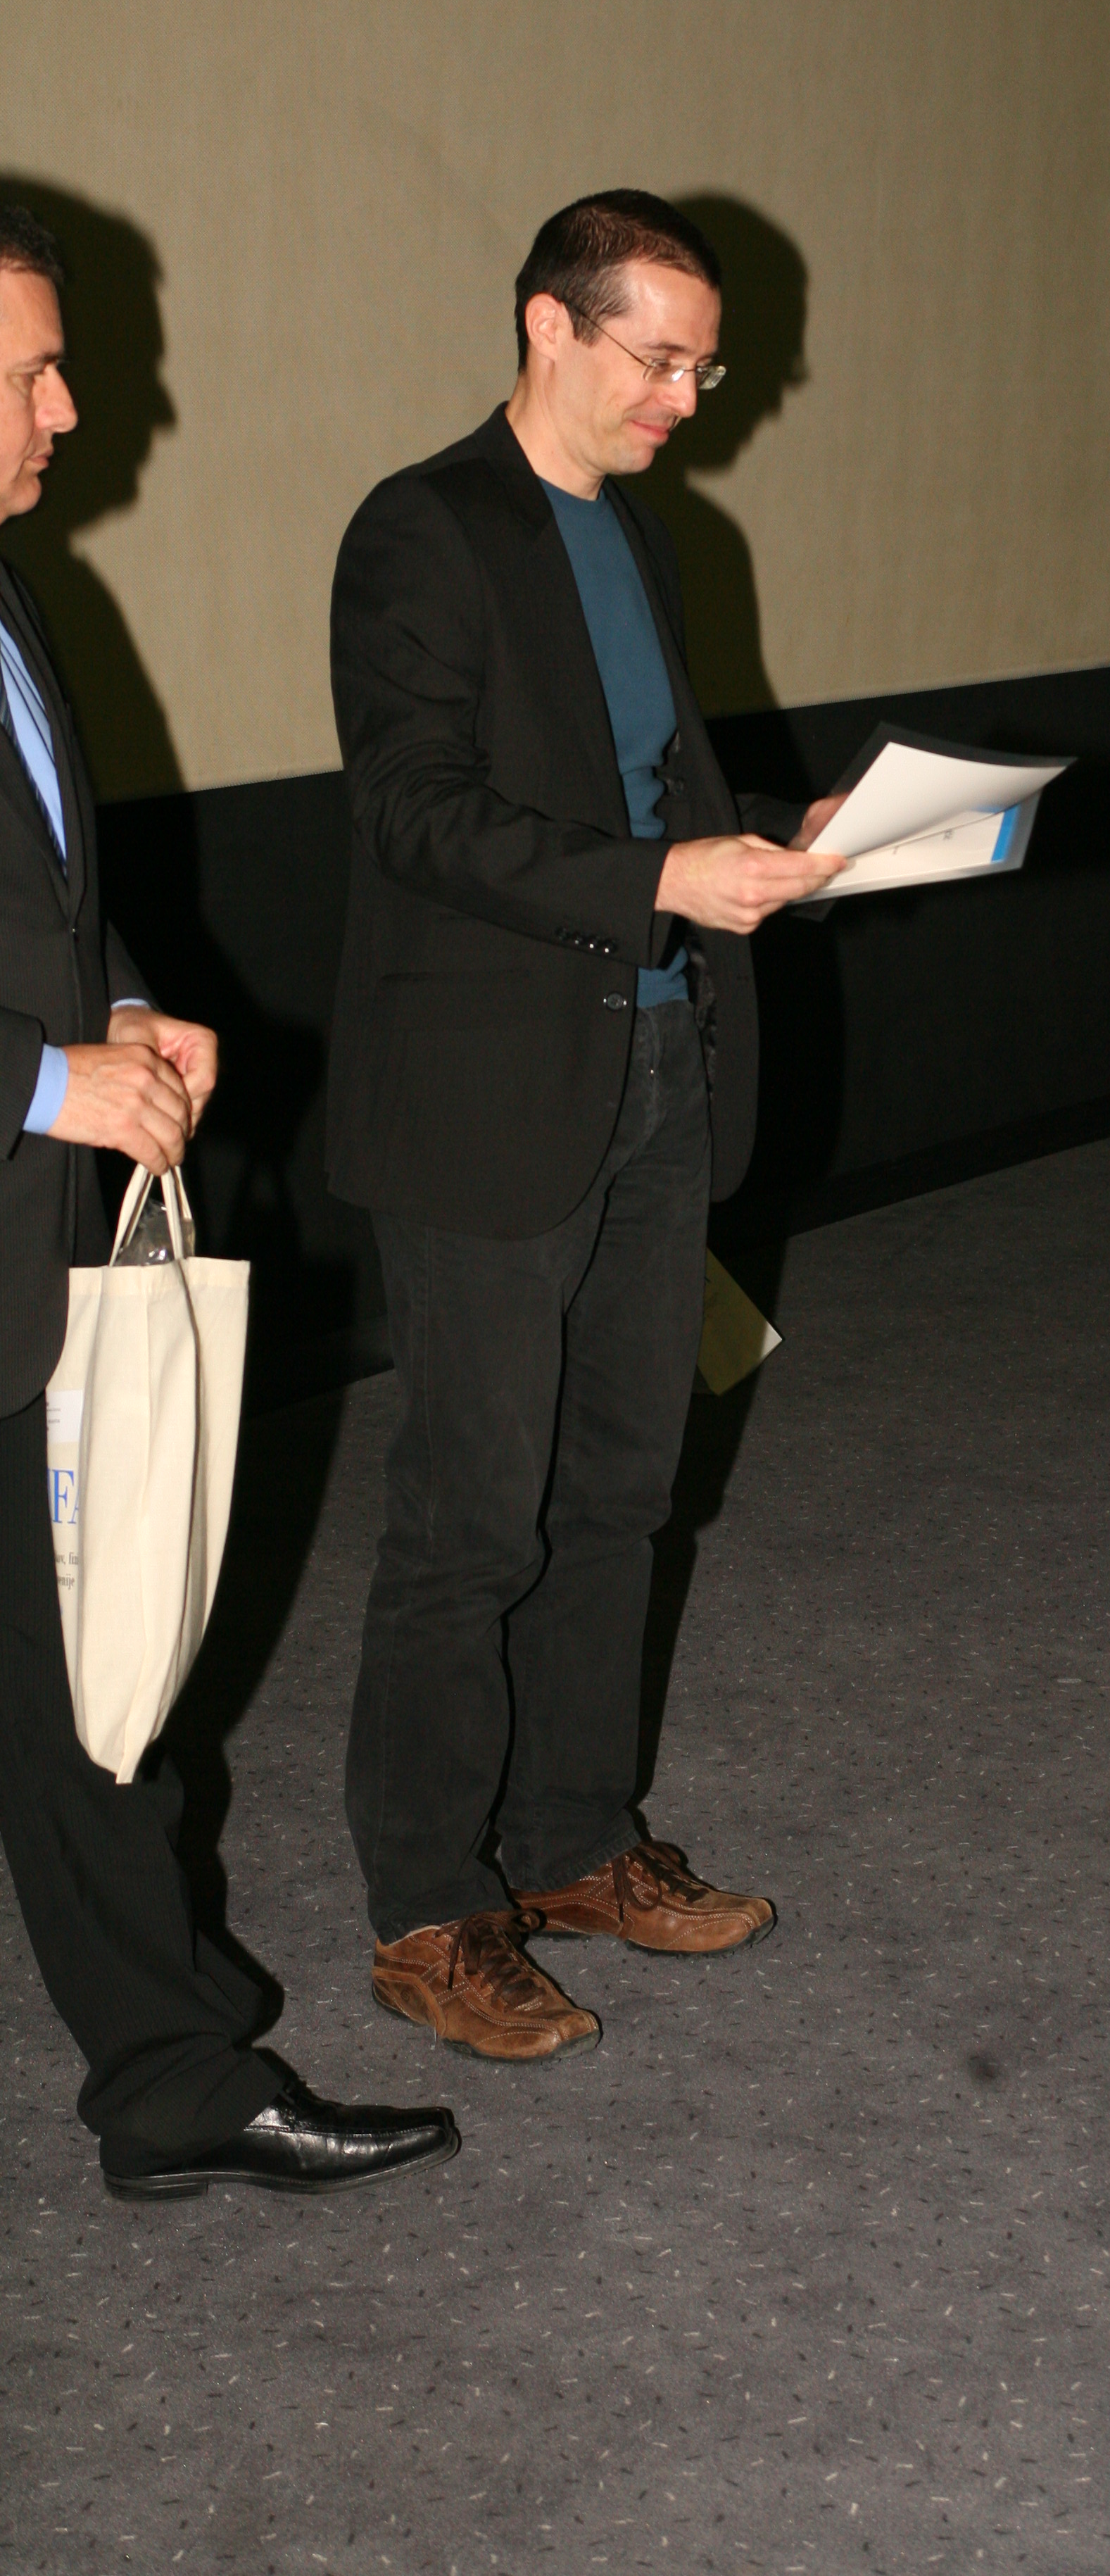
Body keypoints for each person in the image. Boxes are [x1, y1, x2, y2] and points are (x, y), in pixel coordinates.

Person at [328, 191, 845, 2062]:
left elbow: (639, 792)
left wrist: (778, 835)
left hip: (660, 1068)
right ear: (550, 323)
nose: (687, 401)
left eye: (706, 367)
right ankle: (427, 1911)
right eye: (660, 359)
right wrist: (661, 880)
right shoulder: (424, 527)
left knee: (622, 1487)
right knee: (470, 1516)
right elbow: (416, 813)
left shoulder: (644, 534)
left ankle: (568, 1844)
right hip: (488, 1097)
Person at [0, 206, 458, 2199]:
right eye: (29, 369)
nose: (70, 408)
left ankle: (173, 2068)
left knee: (86, 1682)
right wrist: (41, 1086)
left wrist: (112, 1011)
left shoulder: (10, 596)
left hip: (24, 1254)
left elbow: (42, 906)